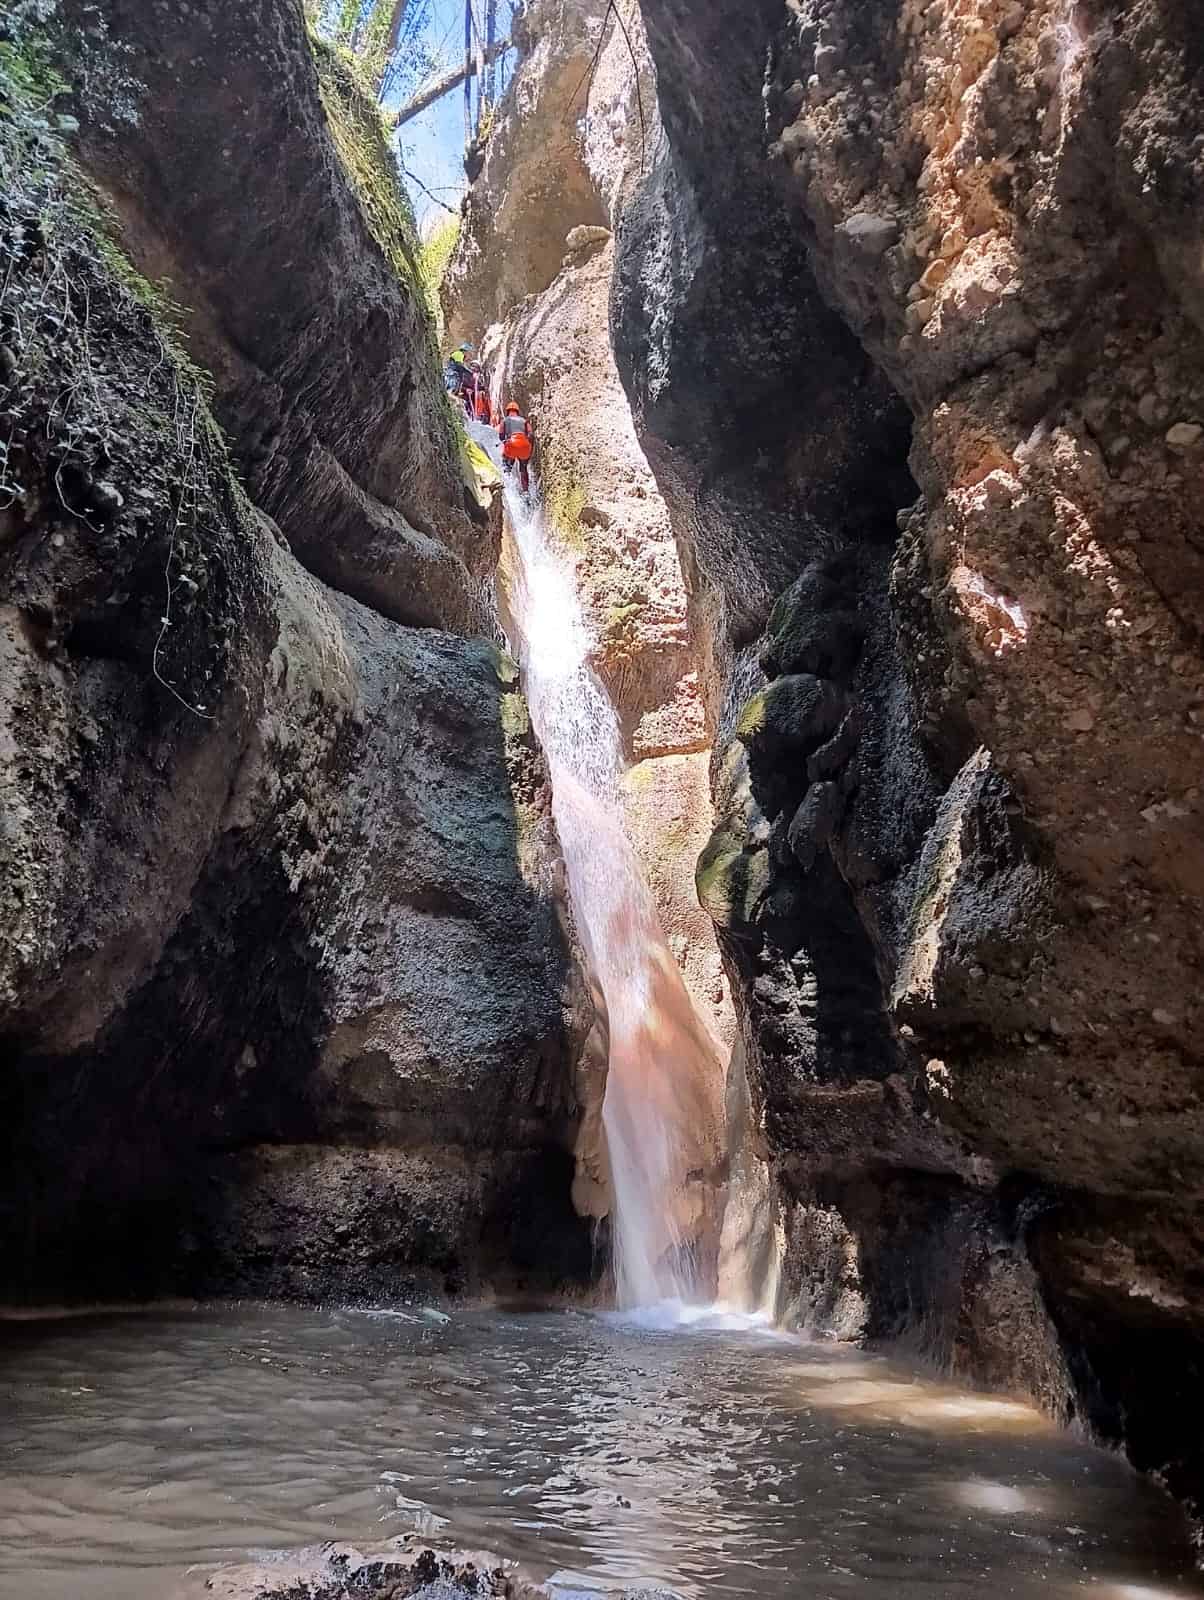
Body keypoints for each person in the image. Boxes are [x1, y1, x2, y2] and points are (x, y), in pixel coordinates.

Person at [498, 401, 533, 492]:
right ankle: (526, 490)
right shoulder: (524, 420)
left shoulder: (505, 420)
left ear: (507, 411)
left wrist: (504, 441)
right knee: (523, 468)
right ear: (517, 411)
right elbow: (530, 433)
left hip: (512, 445)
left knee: (506, 464)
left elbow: (501, 434)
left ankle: (506, 486)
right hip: (524, 446)